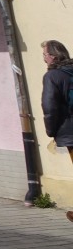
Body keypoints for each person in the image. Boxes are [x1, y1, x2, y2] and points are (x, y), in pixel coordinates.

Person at [40, 39, 73, 221]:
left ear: (52, 56)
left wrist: (51, 131)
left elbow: (50, 106)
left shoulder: (52, 77)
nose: (44, 59)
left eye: (44, 55)